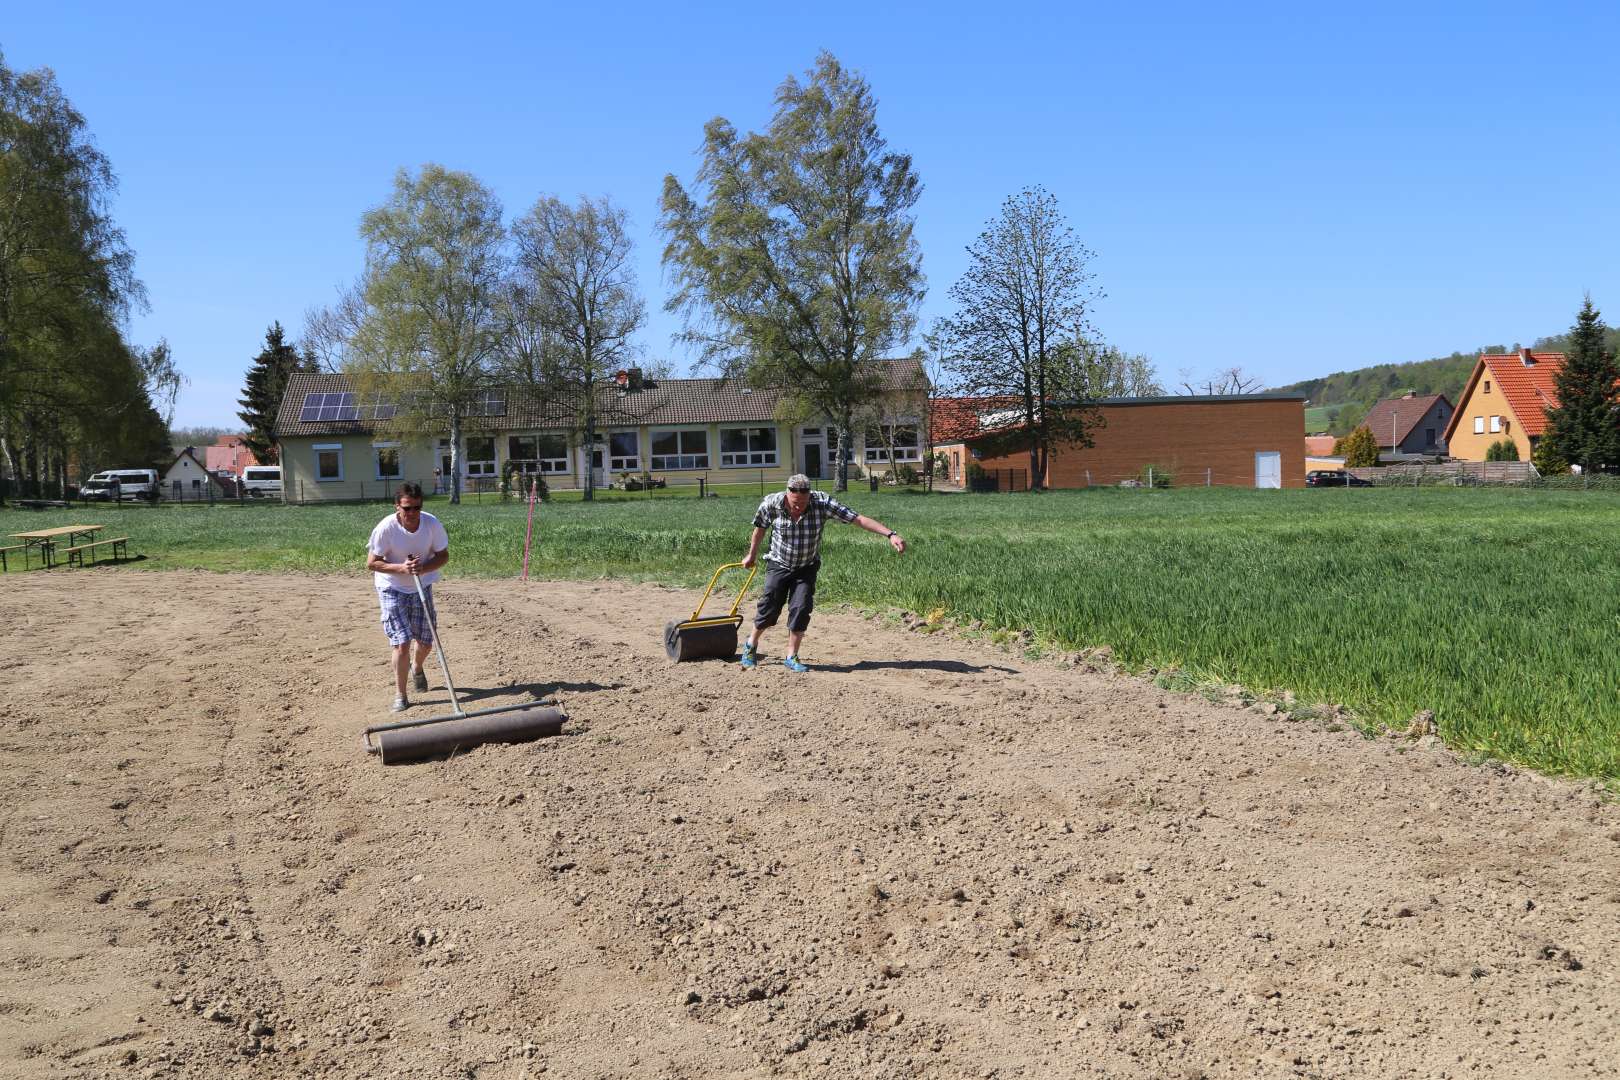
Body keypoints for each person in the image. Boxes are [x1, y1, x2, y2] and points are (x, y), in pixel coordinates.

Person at [740, 473, 905, 672]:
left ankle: (791, 656)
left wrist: (890, 534)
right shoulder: (770, 504)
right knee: (769, 606)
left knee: (801, 607)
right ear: (787, 494)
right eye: (795, 502)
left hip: (806, 566)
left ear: (810, 495)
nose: (799, 506)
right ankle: (751, 645)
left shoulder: (822, 503)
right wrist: (751, 555)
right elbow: (759, 529)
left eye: (803, 501)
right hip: (779, 563)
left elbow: (857, 519)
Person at [365, 483, 450, 712]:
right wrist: (401, 568)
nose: (412, 513)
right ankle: (401, 695)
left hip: (421, 585)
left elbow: (443, 556)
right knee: (402, 643)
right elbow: (372, 563)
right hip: (392, 587)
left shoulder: (431, 524)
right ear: (397, 507)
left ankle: (417, 667)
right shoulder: (386, 528)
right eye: (407, 508)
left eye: (416, 507)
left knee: (426, 642)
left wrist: (423, 568)